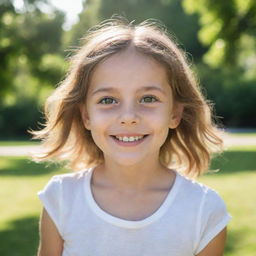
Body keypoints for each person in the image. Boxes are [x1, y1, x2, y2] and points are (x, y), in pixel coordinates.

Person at [29, 17, 232, 256]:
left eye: (148, 98)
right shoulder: (61, 200)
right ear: (86, 116)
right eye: (108, 100)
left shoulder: (204, 210)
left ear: (175, 113)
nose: (128, 117)